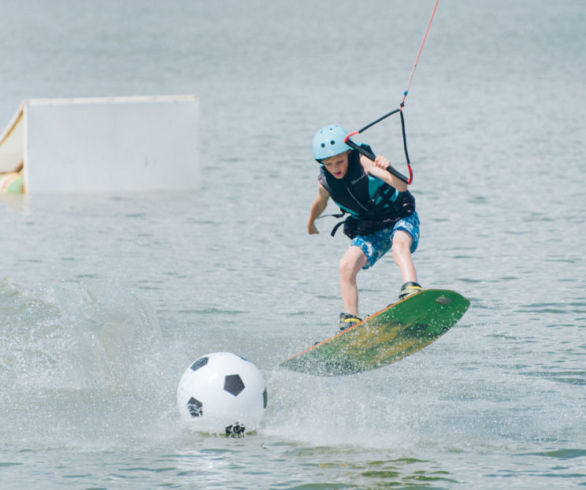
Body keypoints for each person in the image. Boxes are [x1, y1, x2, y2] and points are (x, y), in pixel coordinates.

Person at [307, 124, 422, 331]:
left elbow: (402, 186)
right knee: (346, 265)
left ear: (349, 153)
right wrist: (311, 221)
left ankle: (412, 291)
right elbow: (320, 202)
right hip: (371, 228)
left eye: (340, 161)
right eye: (329, 164)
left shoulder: (364, 162)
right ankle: (351, 320)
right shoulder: (325, 181)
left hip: (399, 215)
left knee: (399, 246)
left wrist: (386, 167)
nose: (336, 168)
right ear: (322, 164)